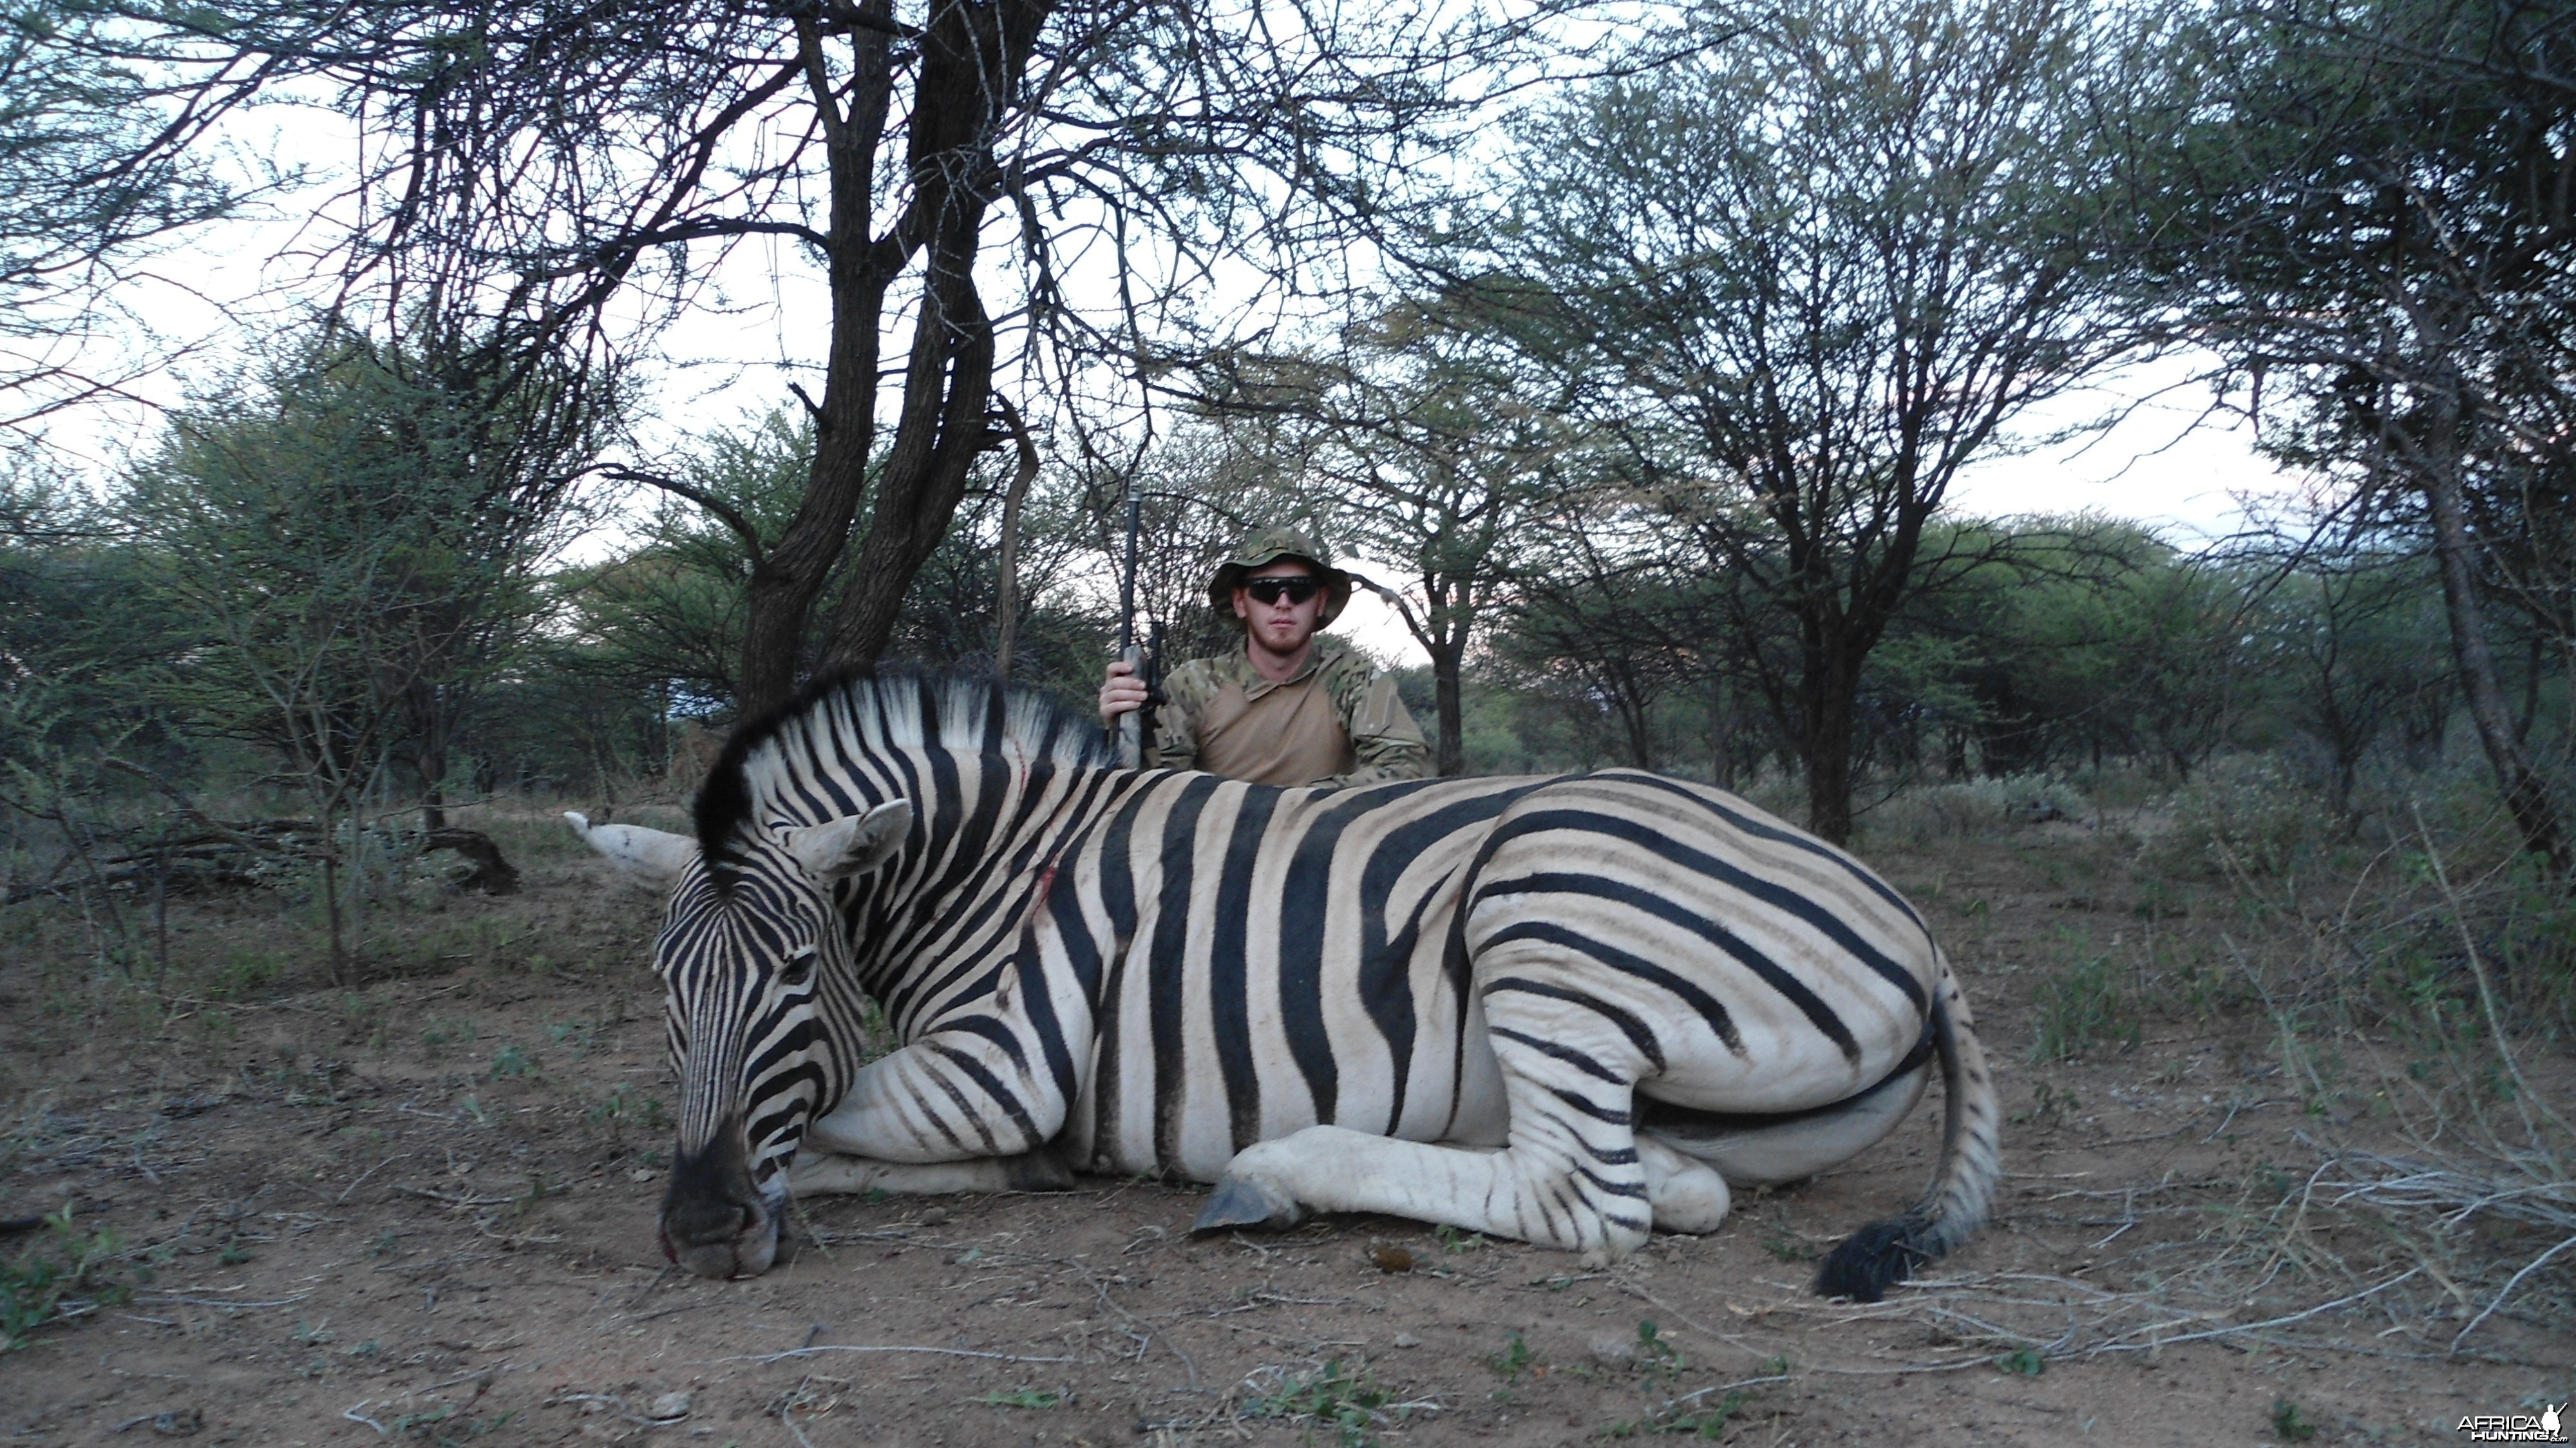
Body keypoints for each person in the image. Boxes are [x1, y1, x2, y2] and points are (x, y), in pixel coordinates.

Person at [1098, 528, 1432, 788]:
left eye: (1299, 589)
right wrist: (1125, 729)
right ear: (1241, 602)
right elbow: (1156, 788)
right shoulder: (1192, 686)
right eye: (1266, 590)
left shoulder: (1354, 677)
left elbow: (1405, 768)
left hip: (1324, 849)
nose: (1283, 602)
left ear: (1320, 601)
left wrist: (1296, 806)